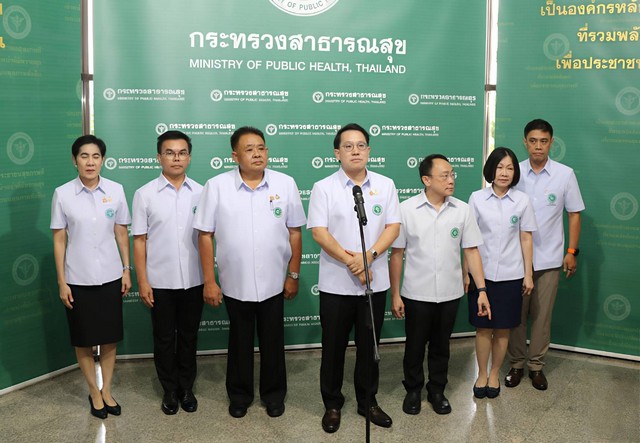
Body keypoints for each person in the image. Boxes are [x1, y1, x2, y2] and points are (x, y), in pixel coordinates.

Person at [193, 126, 306, 419]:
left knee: (273, 341)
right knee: (239, 342)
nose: (257, 154)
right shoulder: (216, 186)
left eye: (261, 148)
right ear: (235, 156)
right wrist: (209, 281)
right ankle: (239, 395)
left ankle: (274, 395)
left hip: (274, 282)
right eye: (249, 149)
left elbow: (295, 232)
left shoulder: (285, 183)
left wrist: (293, 275)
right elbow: (205, 235)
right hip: (235, 282)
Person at [307, 123, 400, 433]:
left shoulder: (385, 185)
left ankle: (368, 401)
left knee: (369, 347)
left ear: (369, 151)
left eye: (361, 145)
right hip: (336, 284)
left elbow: (393, 227)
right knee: (333, 348)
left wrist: (368, 256)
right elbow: (319, 232)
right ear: (337, 153)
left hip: (375, 283)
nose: (355, 151)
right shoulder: (324, 187)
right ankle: (332, 404)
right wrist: (353, 262)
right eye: (348, 146)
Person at [389, 154, 489, 416]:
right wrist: (395, 294)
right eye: (444, 175)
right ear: (426, 179)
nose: (451, 180)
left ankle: (437, 391)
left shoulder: (462, 210)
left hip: (450, 292)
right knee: (414, 346)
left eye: (452, 174)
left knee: (441, 346)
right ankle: (413, 390)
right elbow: (397, 254)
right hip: (416, 293)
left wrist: (481, 290)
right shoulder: (406, 210)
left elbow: (471, 251)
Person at [51, 135, 131, 419]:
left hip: (110, 276)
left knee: (109, 338)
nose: (90, 162)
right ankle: (93, 392)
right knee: (83, 340)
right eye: (84, 156)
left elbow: (121, 232)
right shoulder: (63, 194)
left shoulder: (116, 190)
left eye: (96, 156)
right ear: (75, 160)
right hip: (77, 279)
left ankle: (107, 389)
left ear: (103, 160)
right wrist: (62, 281)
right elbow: (59, 239)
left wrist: (126, 269)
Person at [505, 119, 584, 390]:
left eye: (543, 141)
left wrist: (571, 251)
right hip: (516, 259)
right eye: (533, 141)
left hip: (549, 259)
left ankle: (536, 367)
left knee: (542, 317)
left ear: (551, 142)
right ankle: (516, 364)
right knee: (516, 316)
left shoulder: (565, 174)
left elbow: (574, 214)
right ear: (524, 142)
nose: (538, 146)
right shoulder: (513, 173)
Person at [132, 130, 204, 415]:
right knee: (163, 339)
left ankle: (186, 388)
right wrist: (142, 280)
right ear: (159, 157)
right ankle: (170, 390)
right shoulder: (145, 194)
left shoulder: (202, 192)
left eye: (182, 152)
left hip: (194, 279)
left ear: (189, 157)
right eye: (170, 153)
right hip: (159, 282)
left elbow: (209, 237)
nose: (176, 158)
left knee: (188, 337)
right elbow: (139, 240)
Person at [466, 147, 536, 399]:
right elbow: (468, 241)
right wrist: (465, 273)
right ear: (491, 170)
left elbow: (526, 238)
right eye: (499, 167)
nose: (504, 173)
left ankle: (495, 373)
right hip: (481, 275)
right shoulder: (476, 198)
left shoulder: (522, 200)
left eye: (510, 168)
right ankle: (481, 373)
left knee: (503, 328)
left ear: (515, 172)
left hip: (511, 274)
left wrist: (528, 274)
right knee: (483, 328)